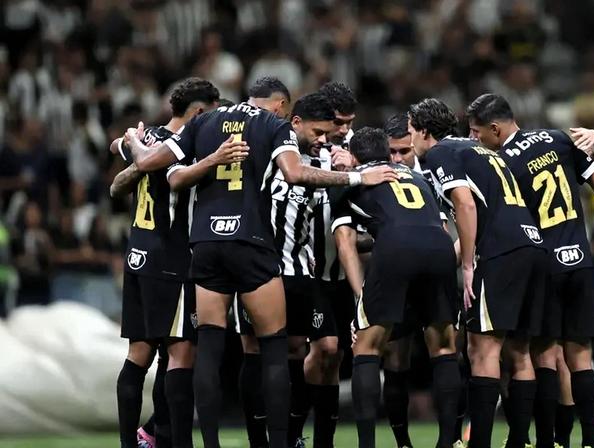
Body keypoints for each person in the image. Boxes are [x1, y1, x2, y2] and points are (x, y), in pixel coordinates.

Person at [123, 76, 398, 448]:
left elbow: (162, 171)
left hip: (205, 243)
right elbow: (295, 172)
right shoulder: (272, 125)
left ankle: (210, 444)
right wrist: (357, 175)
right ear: (283, 107)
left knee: (208, 349)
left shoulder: (205, 122)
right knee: (272, 349)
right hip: (251, 243)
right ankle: (279, 443)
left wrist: (135, 141)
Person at [466, 93, 594, 448]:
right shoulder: (556, 139)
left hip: (543, 263)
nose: (474, 139)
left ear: (495, 128)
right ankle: (590, 442)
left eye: (476, 132)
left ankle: (548, 440)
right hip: (580, 259)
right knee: (580, 356)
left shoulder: (503, 163)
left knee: (539, 354)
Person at [411, 98, 548, 448]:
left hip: (499, 253)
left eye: (411, 131)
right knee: (519, 352)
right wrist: (453, 261)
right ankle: (520, 441)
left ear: (425, 132)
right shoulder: (479, 150)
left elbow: (466, 204)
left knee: (481, 350)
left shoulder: (440, 154)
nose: (410, 139)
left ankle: (480, 444)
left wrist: (469, 265)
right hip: (532, 246)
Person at [109, 77, 220, 448]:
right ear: (199, 112)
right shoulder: (185, 146)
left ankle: (135, 442)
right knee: (180, 351)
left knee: (139, 354)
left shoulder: (150, 137)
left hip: (137, 255)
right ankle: (172, 440)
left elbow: (117, 149)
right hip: (170, 259)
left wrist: (132, 140)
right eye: (213, 113)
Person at [333, 127, 461, 448]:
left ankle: (368, 445)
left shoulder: (354, 178)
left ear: (355, 154)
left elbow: (345, 241)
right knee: (444, 347)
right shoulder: (416, 176)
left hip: (395, 250)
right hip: (441, 247)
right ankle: (448, 442)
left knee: (367, 347)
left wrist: (361, 294)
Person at [228, 92, 337, 448]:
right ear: (295, 123)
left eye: (327, 133)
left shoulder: (324, 164)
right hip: (257, 269)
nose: (322, 139)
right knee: (254, 350)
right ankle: (258, 439)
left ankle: (289, 437)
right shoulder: (265, 154)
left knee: (294, 351)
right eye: (317, 131)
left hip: (300, 271)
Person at [297, 81, 360, 448]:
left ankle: (324, 439)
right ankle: (293, 430)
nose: (343, 130)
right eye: (338, 122)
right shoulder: (301, 150)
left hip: (341, 268)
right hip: (308, 270)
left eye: (349, 122)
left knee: (335, 358)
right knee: (324, 348)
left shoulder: (356, 151)